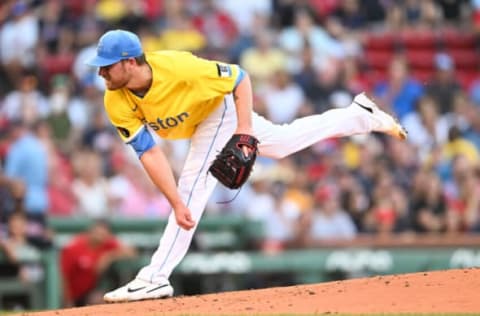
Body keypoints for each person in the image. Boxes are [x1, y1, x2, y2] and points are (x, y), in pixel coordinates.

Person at [85, 29, 407, 302]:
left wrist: (244, 132)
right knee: (280, 144)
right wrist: (174, 201)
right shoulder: (115, 99)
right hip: (201, 123)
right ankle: (358, 116)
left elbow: (240, 78)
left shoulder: (179, 67)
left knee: (193, 185)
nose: (101, 73)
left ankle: (156, 275)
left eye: (106, 67)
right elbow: (149, 153)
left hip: (220, 109)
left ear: (130, 62)